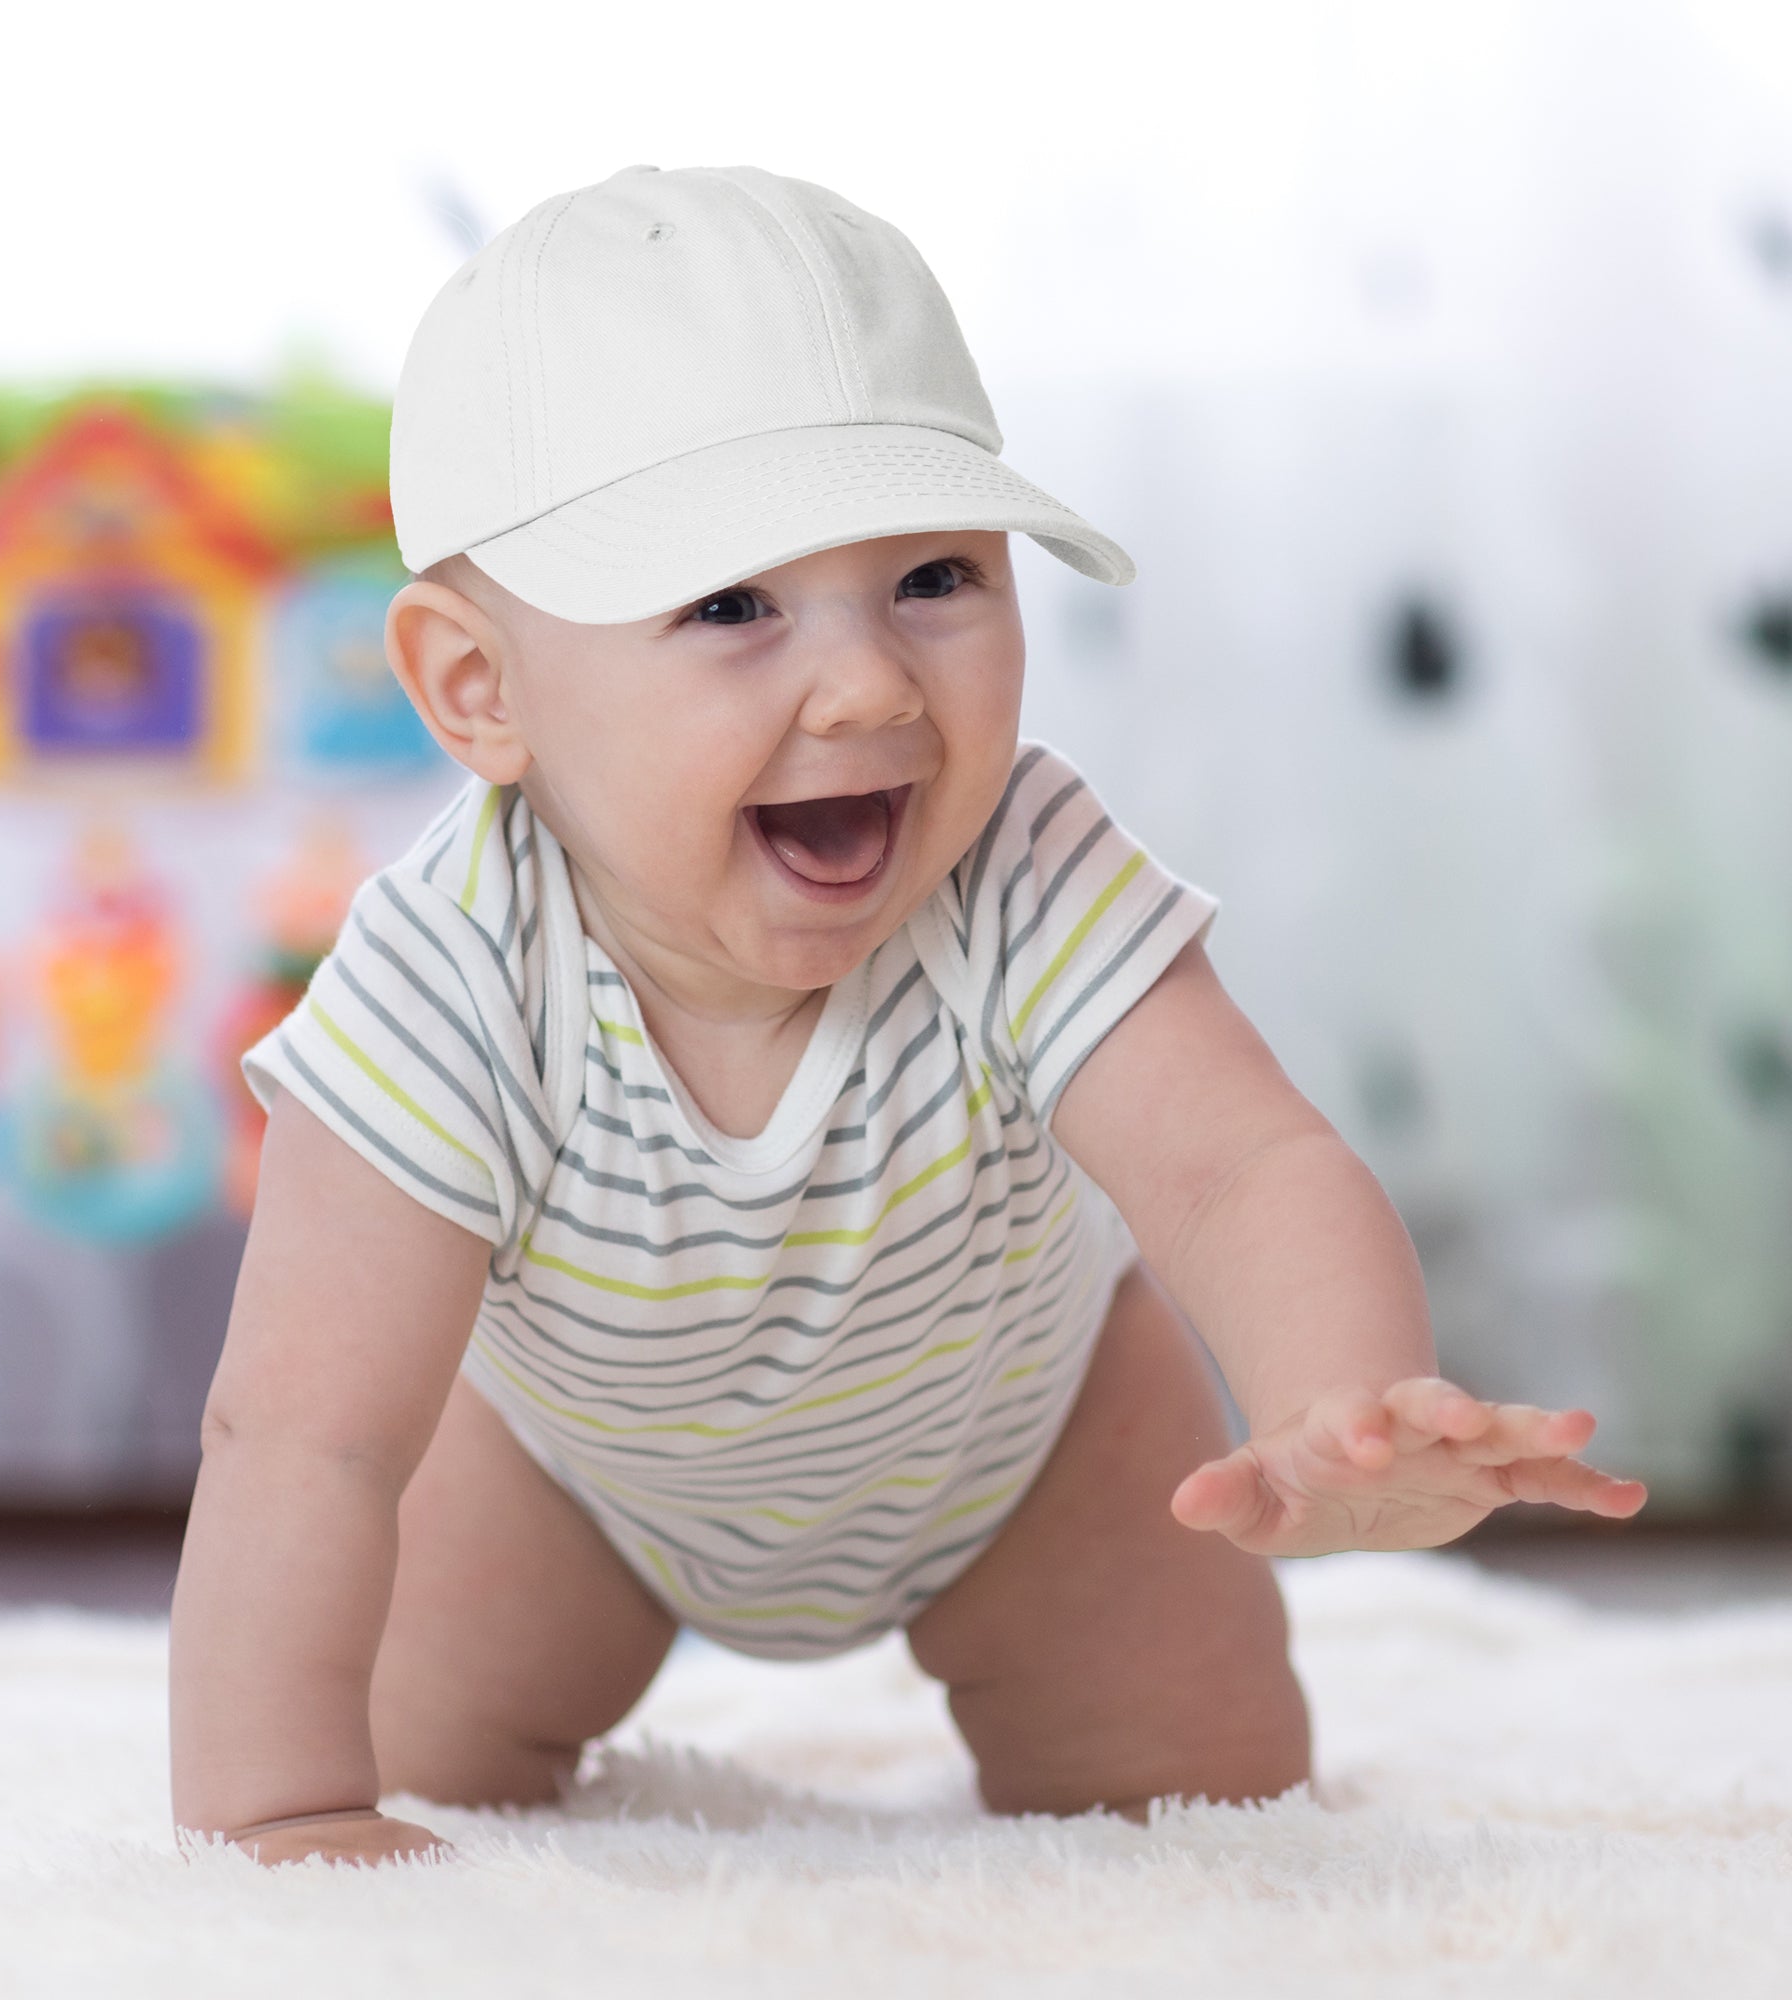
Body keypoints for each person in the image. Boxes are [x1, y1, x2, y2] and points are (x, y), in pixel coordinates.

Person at [168, 165, 1645, 1867]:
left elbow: (1239, 1166)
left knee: (1210, 1815)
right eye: (731, 605)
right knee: (412, 1758)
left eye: (935, 575)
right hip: (572, 1485)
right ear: (477, 689)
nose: (870, 684)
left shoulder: (1021, 864)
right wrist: (279, 1812)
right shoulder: (448, 977)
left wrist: (1346, 1404)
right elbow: (302, 1432)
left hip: (1039, 1455)